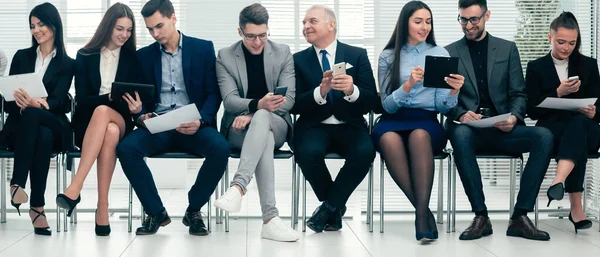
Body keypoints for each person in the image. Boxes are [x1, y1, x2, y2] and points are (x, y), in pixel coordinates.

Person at [116, 0, 230, 236]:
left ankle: (194, 210)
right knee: (127, 149)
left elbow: (213, 93)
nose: (155, 34)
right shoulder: (144, 56)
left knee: (220, 148)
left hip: (193, 124)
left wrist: (201, 121)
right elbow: (142, 99)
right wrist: (139, 113)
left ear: (173, 18)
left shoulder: (202, 48)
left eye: (159, 26)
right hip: (159, 124)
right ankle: (156, 212)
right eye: (149, 29)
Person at [445, 0, 553, 241]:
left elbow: (519, 94)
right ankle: (481, 216)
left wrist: (514, 117)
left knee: (544, 136)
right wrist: (461, 114)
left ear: (487, 16)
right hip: (470, 129)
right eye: (463, 19)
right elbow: (443, 99)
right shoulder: (449, 52)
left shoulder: (507, 49)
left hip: (503, 128)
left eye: (474, 19)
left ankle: (520, 217)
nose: (468, 25)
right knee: (459, 134)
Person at [374, 0, 464, 242]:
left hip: (426, 120)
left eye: (428, 21)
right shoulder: (388, 56)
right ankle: (423, 213)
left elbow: (442, 106)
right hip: (393, 119)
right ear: (405, 23)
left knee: (419, 135)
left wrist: (454, 91)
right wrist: (408, 85)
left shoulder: (439, 54)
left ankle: (421, 217)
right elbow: (386, 105)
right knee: (389, 139)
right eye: (418, 21)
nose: (424, 26)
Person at [213, 3, 299, 242]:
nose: (258, 41)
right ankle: (270, 220)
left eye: (263, 35)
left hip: (277, 123)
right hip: (238, 130)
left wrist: (255, 112)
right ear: (240, 32)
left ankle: (238, 188)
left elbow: (289, 100)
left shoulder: (282, 52)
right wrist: (257, 106)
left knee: (263, 119)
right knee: (264, 136)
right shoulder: (226, 56)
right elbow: (230, 101)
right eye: (251, 36)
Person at [292, 5, 378, 233]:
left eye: (312, 21)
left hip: (350, 125)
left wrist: (352, 90)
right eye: (303, 23)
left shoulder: (356, 55)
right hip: (313, 126)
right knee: (307, 153)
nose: (306, 27)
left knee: (364, 152)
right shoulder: (297, 60)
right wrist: (318, 93)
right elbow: (294, 104)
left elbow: (372, 100)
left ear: (331, 24)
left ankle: (328, 208)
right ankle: (335, 208)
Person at [55, 2, 139, 236]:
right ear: (108, 27)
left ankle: (76, 186)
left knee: (106, 115)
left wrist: (138, 106)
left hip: (122, 118)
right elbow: (82, 99)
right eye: (120, 28)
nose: (124, 35)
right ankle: (103, 206)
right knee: (108, 129)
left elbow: (139, 95)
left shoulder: (134, 58)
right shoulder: (85, 55)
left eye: (129, 30)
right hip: (88, 123)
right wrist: (108, 96)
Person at [0, 2, 74, 236]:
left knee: (36, 115)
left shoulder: (67, 63)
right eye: (32, 26)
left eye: (41, 24)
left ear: (54, 25)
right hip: (26, 126)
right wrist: (21, 101)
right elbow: (8, 98)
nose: (36, 30)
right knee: (41, 134)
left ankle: (17, 183)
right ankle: (37, 207)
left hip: (53, 120)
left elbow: (60, 100)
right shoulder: (21, 57)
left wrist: (38, 103)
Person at [526, 12, 600, 233]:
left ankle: (558, 181)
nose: (566, 48)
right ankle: (576, 210)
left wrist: (594, 112)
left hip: (585, 128)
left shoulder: (588, 64)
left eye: (572, 43)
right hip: (553, 132)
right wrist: (557, 92)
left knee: (578, 126)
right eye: (561, 42)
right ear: (549, 37)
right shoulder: (536, 67)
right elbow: (530, 111)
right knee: (574, 133)